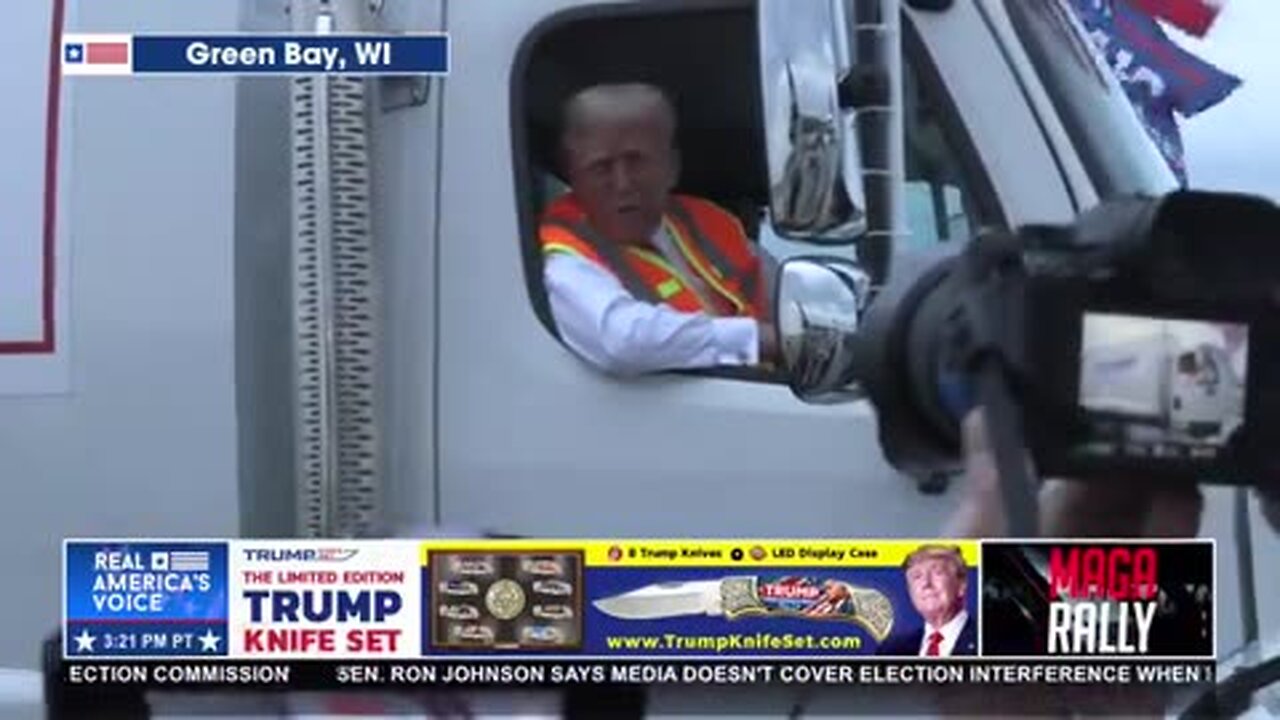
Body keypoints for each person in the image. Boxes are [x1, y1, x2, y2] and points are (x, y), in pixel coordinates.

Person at [538, 82, 778, 376]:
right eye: (601, 168)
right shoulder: (562, 254)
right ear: (573, 176)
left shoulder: (709, 222)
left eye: (636, 161)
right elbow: (624, 340)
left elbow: (790, 300)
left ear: (672, 166)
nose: (623, 183)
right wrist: (759, 340)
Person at [877, 544, 977, 657]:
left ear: (961, 585)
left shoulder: (989, 640)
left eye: (937, 573)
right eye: (917, 576)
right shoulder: (891, 651)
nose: (926, 584)